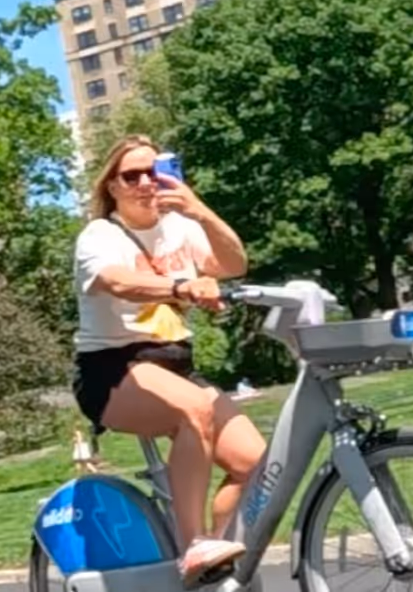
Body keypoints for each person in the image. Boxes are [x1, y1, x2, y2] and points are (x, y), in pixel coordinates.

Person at [72, 134, 266, 588]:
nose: (145, 183)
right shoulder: (99, 235)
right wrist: (181, 287)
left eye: (153, 173)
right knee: (193, 409)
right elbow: (117, 282)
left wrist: (199, 209)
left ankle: (214, 569)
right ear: (112, 188)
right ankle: (194, 543)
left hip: (175, 366)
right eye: (131, 176)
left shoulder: (181, 227)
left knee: (257, 464)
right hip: (113, 369)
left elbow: (234, 263)